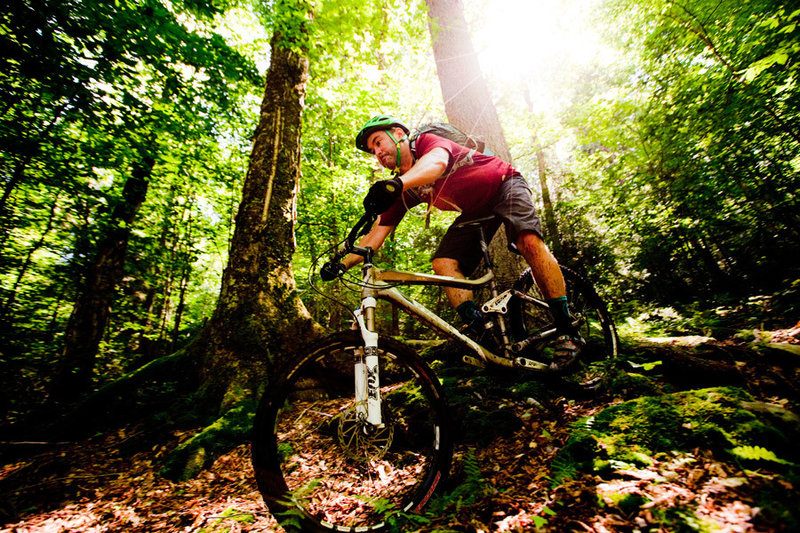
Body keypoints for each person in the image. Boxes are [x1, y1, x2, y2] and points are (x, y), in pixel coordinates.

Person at [324, 114, 582, 371]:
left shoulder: (426, 143)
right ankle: (484, 337)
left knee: (528, 241)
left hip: (505, 183)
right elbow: (376, 234)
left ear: (399, 135)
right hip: (475, 209)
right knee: (443, 263)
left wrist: (397, 184)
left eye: (379, 142)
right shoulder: (404, 187)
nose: (377, 152)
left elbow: (436, 164)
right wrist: (342, 264)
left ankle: (567, 330)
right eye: (372, 150)